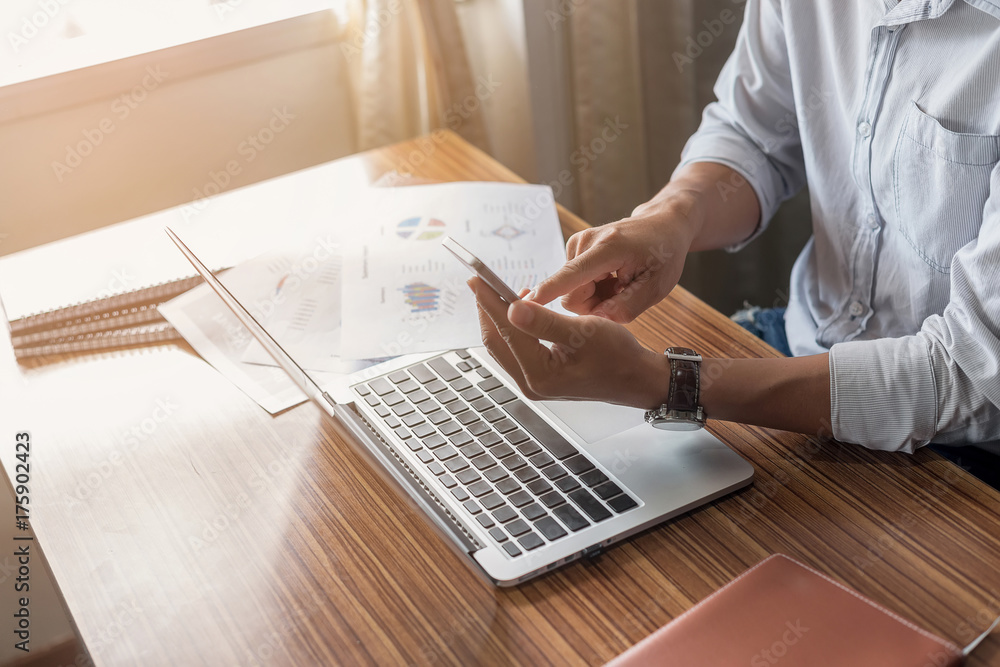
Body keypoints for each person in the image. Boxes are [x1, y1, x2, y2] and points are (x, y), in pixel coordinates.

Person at [468, 0, 1000, 467]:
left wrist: (657, 382)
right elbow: (754, 136)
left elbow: (971, 377)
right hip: (788, 347)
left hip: (959, 448)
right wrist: (672, 217)